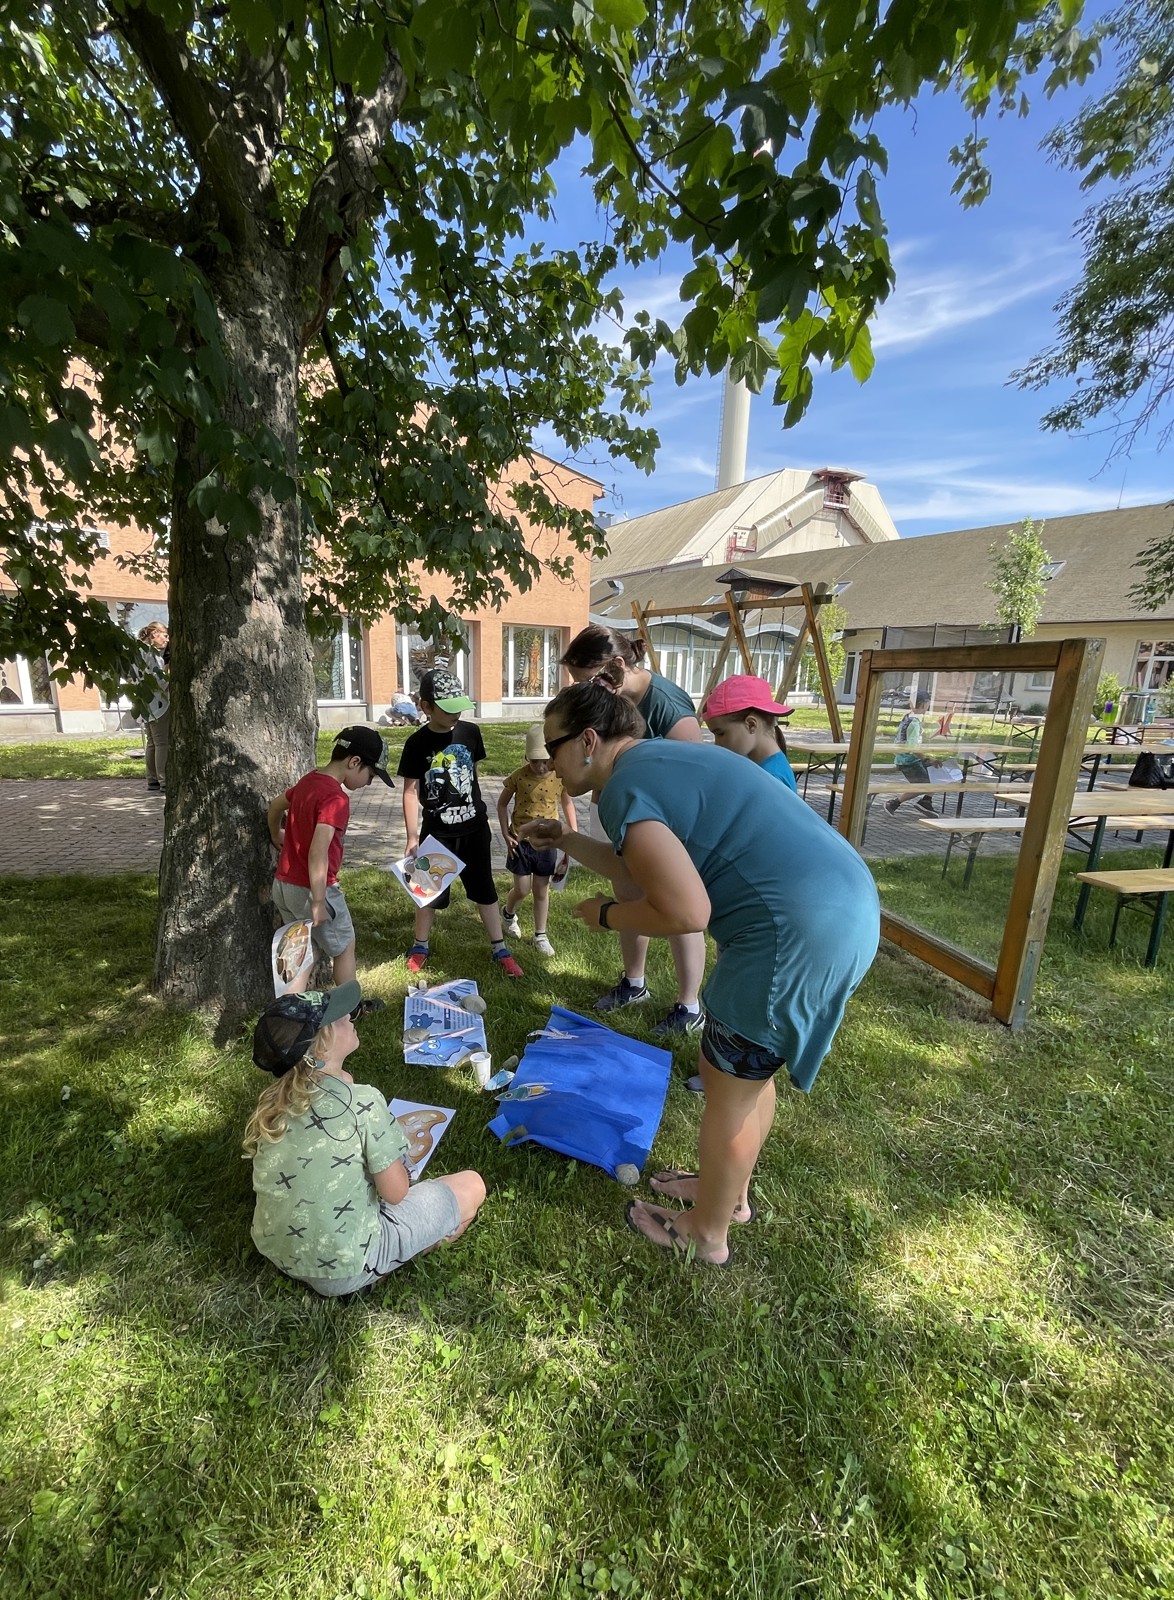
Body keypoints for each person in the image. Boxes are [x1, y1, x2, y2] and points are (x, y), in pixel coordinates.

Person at [520, 682, 879, 1267]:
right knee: (746, 1077)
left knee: (727, 1087)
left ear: (587, 741)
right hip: (842, 908)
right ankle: (724, 1193)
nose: (550, 763)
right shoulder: (655, 761)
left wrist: (607, 915)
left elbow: (686, 912)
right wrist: (566, 839)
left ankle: (707, 1233)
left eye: (553, 746)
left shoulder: (624, 790)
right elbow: (639, 866)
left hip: (793, 933)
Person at [245, 983, 485, 1296]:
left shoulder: (274, 1104)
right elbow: (396, 1193)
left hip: (278, 1250)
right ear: (321, 1049)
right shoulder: (363, 1102)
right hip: (344, 1267)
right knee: (471, 1185)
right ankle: (384, 1266)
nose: (350, 1016)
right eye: (338, 1018)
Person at [560, 624, 705, 1037]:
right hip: (620, 815)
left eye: (588, 681)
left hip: (663, 827)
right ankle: (634, 982)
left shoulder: (667, 704)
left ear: (618, 666)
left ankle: (689, 1005)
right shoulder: (610, 701)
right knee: (627, 893)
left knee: (676, 908)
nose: (585, 692)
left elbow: (693, 774)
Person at [397, 666, 523, 978]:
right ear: (426, 707)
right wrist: (412, 837)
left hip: (475, 829)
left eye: (459, 707)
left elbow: (472, 775)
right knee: (425, 891)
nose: (456, 714)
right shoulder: (416, 743)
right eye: (447, 708)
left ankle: (500, 948)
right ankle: (420, 946)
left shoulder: (471, 733)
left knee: (485, 889)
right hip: (437, 833)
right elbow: (410, 791)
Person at [267, 725, 393, 989]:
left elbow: (276, 805)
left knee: (300, 952)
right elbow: (318, 851)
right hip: (314, 890)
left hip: (283, 885)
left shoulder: (308, 781)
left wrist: (275, 832)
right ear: (354, 762)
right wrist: (318, 901)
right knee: (345, 946)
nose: (369, 783)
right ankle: (349, 1007)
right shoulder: (336, 799)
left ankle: (291, 1008)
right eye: (371, 775)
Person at [496, 723, 579, 955]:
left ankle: (540, 935)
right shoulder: (518, 777)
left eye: (545, 761)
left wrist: (573, 832)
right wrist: (505, 833)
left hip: (547, 843)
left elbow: (567, 803)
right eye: (534, 761)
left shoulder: (559, 777)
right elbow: (501, 804)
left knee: (541, 890)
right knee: (522, 889)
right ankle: (508, 914)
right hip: (520, 843)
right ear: (526, 757)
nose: (540, 767)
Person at [699, 675, 798, 791]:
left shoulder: (771, 778)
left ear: (751, 724)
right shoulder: (758, 766)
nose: (717, 744)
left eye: (720, 734)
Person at [884, 690, 937, 817]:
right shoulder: (914, 723)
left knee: (936, 773)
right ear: (924, 704)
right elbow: (913, 748)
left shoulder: (909, 717)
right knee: (924, 785)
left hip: (908, 757)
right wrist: (927, 758)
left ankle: (926, 801)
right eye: (928, 704)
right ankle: (893, 803)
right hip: (908, 760)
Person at [136, 622, 170, 793]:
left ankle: (153, 779)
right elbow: (159, 681)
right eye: (165, 635)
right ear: (155, 633)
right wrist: (169, 673)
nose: (167, 640)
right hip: (158, 703)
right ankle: (164, 780)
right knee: (162, 742)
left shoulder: (139, 651)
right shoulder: (152, 654)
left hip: (144, 703)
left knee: (152, 742)